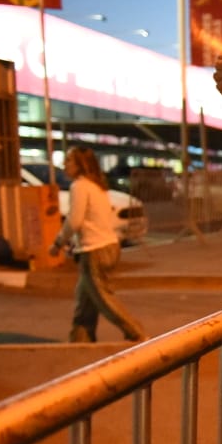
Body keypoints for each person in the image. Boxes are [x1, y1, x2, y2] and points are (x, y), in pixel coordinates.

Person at [49, 146, 146, 343]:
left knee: (103, 298)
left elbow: (74, 220)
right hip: (109, 246)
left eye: (69, 161)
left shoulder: (80, 186)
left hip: (95, 251)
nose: (64, 165)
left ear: (80, 165)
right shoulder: (98, 186)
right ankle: (80, 340)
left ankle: (136, 333)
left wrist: (58, 242)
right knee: (85, 299)